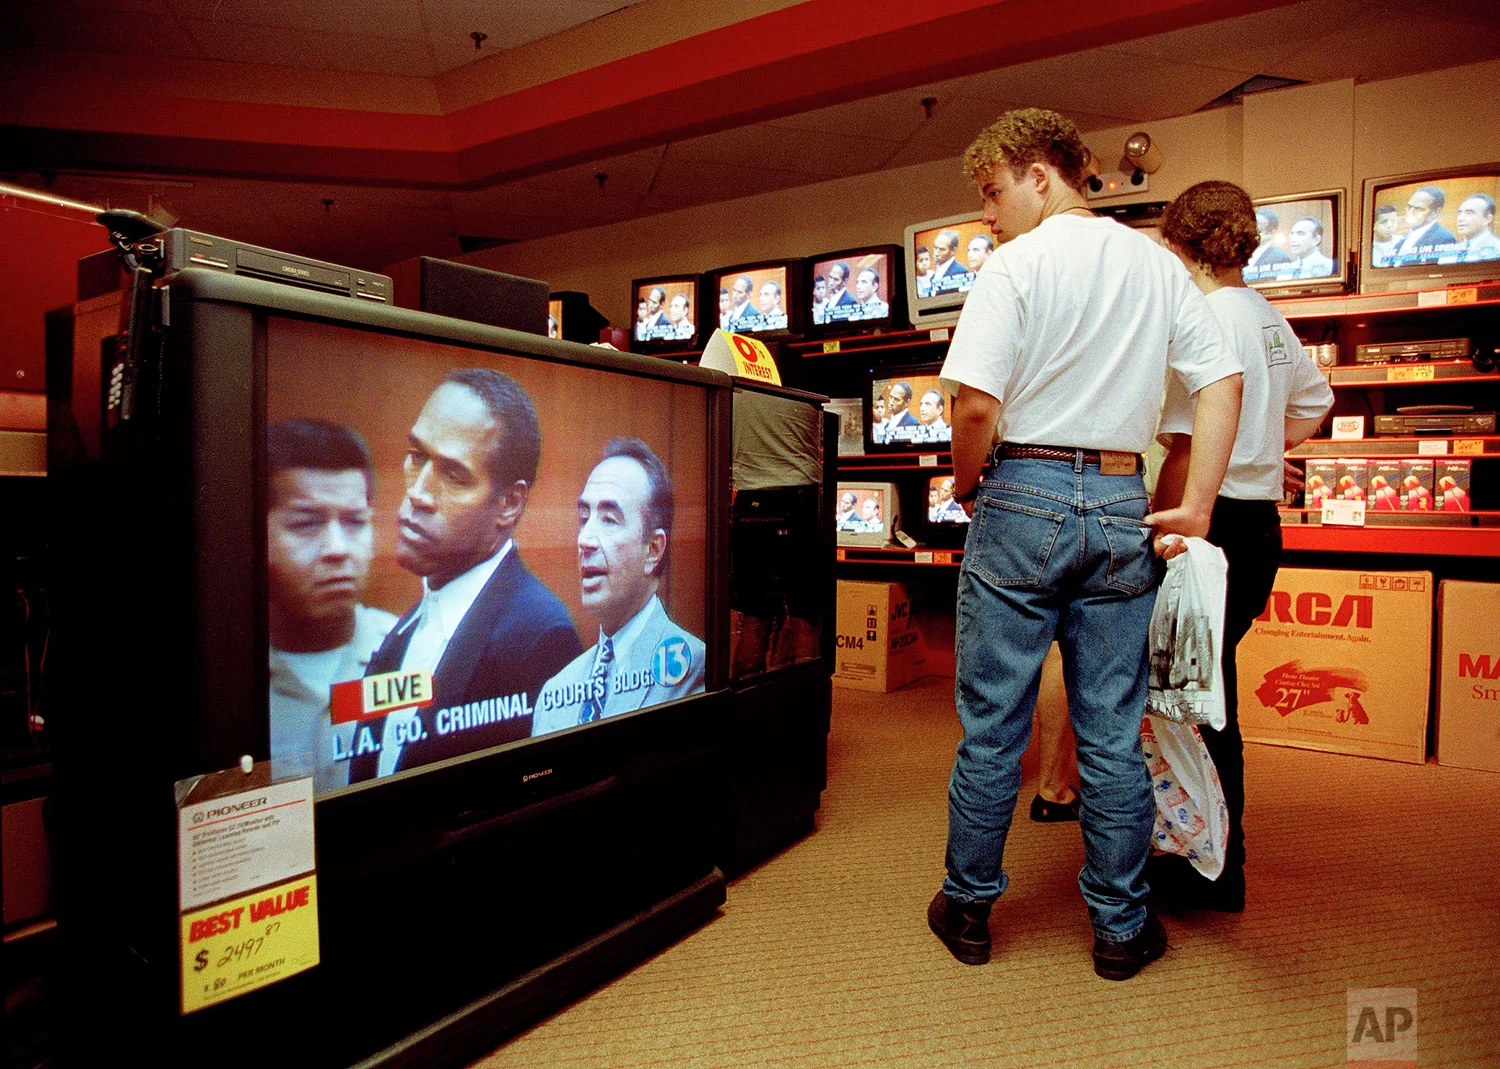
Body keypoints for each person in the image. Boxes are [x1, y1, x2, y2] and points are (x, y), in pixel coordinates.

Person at [926, 107, 1242, 981]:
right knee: (1109, 729)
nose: (987, 213)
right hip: (1119, 498)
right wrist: (1199, 506)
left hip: (1020, 491)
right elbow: (1222, 380)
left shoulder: (1015, 265)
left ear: (1040, 175)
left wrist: (965, 483)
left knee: (994, 725)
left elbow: (975, 405)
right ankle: (1120, 926)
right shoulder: (1159, 265)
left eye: (993, 191)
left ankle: (969, 910)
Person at [1152, 180, 1334, 913]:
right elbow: (1316, 401)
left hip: (1209, 527)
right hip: (1259, 528)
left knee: (1190, 700)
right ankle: (1216, 856)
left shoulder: (1204, 320)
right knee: (1211, 688)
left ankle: (1211, 863)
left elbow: (1183, 443)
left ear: (1181, 243)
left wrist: (1157, 524)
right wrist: (1262, 448)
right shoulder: (1267, 316)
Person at [347, 369, 583, 781]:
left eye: (453, 475)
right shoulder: (408, 626)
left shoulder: (540, 637)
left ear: (509, 504)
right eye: (417, 456)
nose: (417, 493)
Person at [532, 439, 705, 733]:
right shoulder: (555, 692)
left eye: (609, 520)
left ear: (653, 550)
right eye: (584, 518)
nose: (584, 540)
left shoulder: (695, 667)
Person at [267, 419, 397, 793]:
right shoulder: (220, 682)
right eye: (306, 524)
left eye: (355, 521)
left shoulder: (414, 650)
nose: (337, 549)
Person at [1395, 186, 1457, 259]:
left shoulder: (1445, 239)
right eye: (1409, 206)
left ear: (1435, 212)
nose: (1410, 212)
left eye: (1418, 208)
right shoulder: (1402, 239)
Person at [1456, 193, 1500, 261]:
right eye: (1459, 213)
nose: (1460, 218)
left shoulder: (1497, 250)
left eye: (1469, 213)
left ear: (1487, 219)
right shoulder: (1453, 250)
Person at [1246, 208, 1291, 272]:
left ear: (1272, 231)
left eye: (1259, 229)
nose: (1254, 231)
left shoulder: (1281, 258)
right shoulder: (1242, 254)